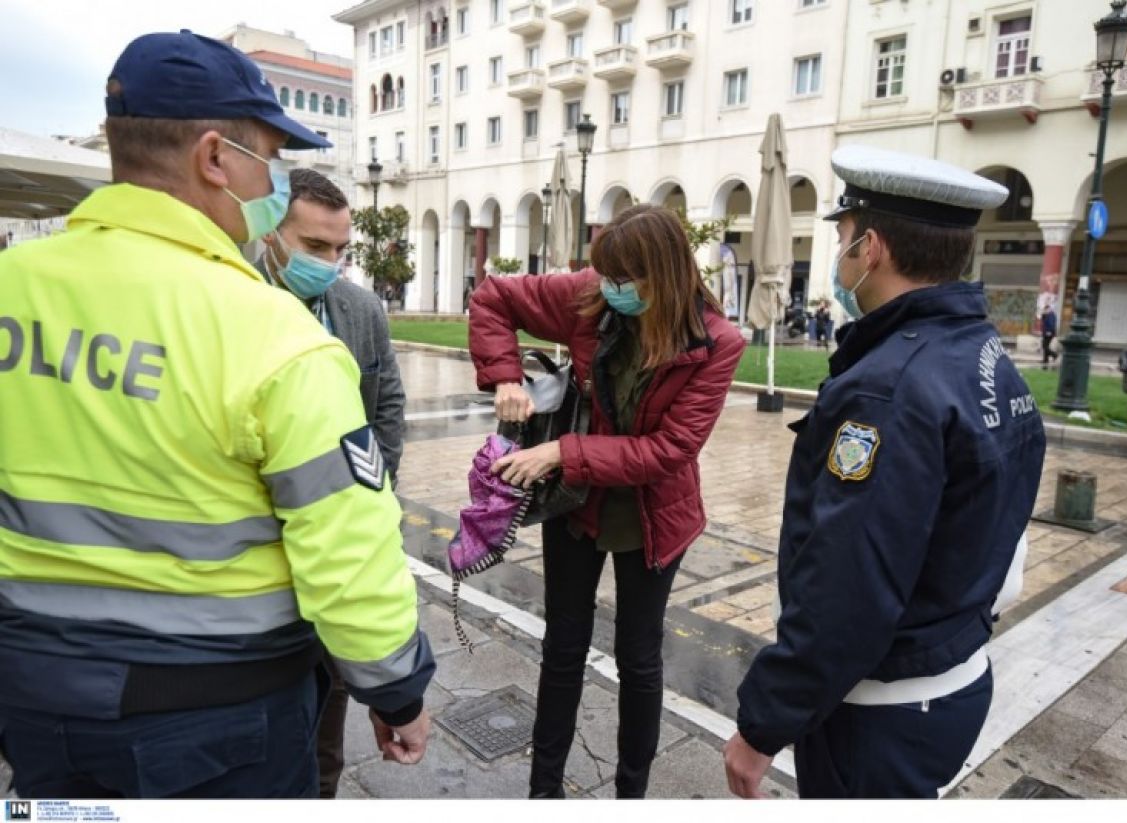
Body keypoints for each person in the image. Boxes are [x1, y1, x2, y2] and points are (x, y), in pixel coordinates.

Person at [0, 31, 434, 799]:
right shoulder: (269, 333)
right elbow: (347, 556)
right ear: (213, 157)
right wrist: (397, 690)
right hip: (219, 722)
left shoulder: (12, 283)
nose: (272, 180)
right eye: (267, 156)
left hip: (33, 698)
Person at [724, 145, 1047, 799]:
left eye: (843, 238)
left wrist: (761, 726)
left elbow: (849, 588)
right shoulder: (983, 356)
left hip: (881, 710)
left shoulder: (888, 388)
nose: (841, 256)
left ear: (870, 248)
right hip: (951, 677)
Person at [468, 204, 746, 799]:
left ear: (662, 275)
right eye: (606, 277)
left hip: (653, 511)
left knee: (638, 658)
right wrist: (506, 377)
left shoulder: (717, 342)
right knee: (563, 645)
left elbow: (670, 449)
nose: (611, 290)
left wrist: (560, 453)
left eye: (624, 280)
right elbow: (493, 297)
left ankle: (631, 796)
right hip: (578, 504)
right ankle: (545, 792)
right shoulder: (591, 294)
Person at [253, 168, 409, 798]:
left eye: (341, 250)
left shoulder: (361, 308)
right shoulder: (239, 305)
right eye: (315, 247)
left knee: (328, 727)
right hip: (259, 561)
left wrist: (367, 492)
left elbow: (388, 407)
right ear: (271, 234)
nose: (331, 262)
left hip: (340, 557)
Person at [1041, 303, 1059, 368]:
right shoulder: (1047, 315)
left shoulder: (1051, 315)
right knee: (1045, 347)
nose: (1045, 311)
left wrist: (1049, 331)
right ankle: (1045, 362)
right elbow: (1043, 321)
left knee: (1045, 347)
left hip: (1048, 333)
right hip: (1046, 333)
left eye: (1046, 309)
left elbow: (1051, 324)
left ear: (1049, 309)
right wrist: (1043, 314)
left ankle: (1054, 355)